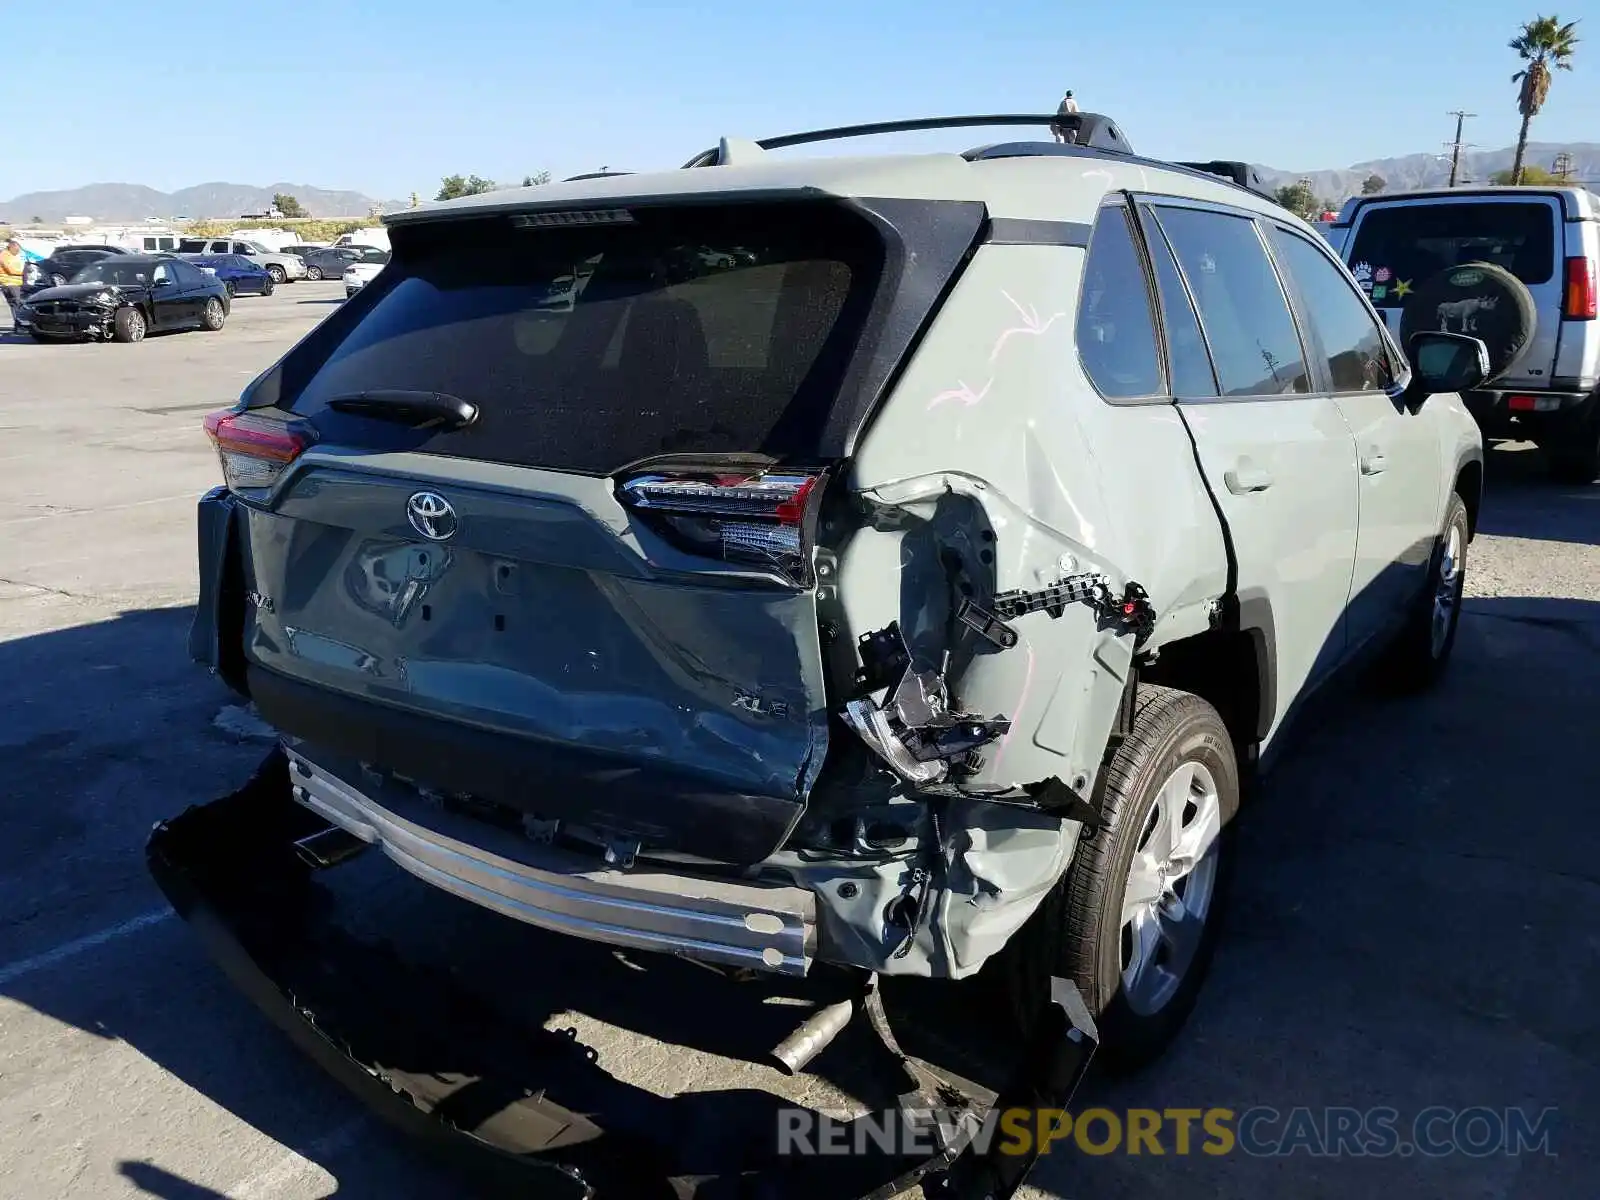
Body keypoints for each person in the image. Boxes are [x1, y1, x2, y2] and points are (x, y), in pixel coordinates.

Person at [0, 238, 24, 333]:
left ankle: (18, 325)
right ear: (11, 247)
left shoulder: (11, 255)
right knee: (17, 305)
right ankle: (19, 325)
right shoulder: (5, 256)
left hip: (13, 283)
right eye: (17, 249)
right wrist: (23, 273)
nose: (18, 252)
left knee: (15, 305)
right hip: (10, 284)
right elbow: (11, 270)